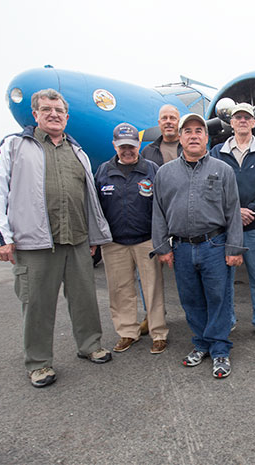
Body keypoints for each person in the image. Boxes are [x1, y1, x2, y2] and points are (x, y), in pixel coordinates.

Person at [0, 88, 113, 388]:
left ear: (67, 116)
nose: (53, 114)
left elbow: (88, 197)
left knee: (85, 300)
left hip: (78, 240)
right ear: (36, 115)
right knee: (37, 305)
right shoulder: (14, 145)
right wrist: (1, 237)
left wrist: (94, 235)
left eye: (58, 110)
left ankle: (90, 345)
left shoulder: (77, 152)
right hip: (36, 243)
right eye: (46, 109)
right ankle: (39, 363)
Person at [151, 113, 245, 379]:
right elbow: (158, 213)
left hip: (214, 245)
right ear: (180, 138)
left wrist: (234, 248)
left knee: (219, 298)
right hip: (180, 248)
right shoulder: (164, 173)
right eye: (188, 131)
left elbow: (233, 211)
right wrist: (162, 247)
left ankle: (219, 349)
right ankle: (201, 343)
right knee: (190, 299)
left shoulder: (223, 170)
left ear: (207, 137)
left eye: (198, 131)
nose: (193, 135)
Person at [94, 123, 169, 355]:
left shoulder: (152, 169)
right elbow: (96, 207)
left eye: (132, 146)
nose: (127, 150)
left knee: (153, 289)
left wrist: (162, 240)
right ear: (114, 145)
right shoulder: (103, 171)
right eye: (122, 146)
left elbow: (163, 206)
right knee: (120, 289)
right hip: (114, 243)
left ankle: (158, 333)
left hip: (146, 240)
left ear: (139, 145)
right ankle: (127, 332)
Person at [210, 102, 255, 345]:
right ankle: (228, 320)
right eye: (238, 117)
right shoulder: (217, 151)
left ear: (253, 122)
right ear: (231, 122)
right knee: (224, 278)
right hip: (226, 228)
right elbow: (213, 187)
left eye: (247, 117)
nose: (242, 121)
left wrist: (252, 211)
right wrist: (234, 212)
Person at [139, 103, 182, 336]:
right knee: (150, 275)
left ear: (178, 122)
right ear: (159, 123)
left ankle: (197, 314)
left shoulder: (191, 146)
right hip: (157, 219)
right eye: (164, 118)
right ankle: (151, 316)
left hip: (185, 218)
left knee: (188, 272)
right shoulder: (147, 152)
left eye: (172, 118)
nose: (168, 121)